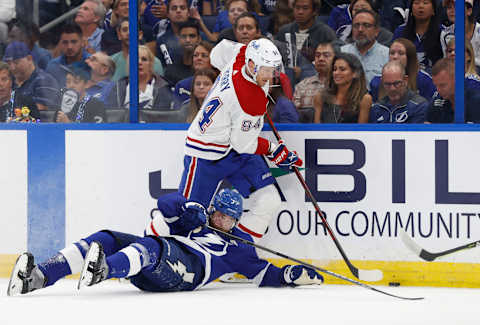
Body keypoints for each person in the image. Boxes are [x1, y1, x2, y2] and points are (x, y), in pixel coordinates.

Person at [7, 188, 323, 297]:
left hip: (185, 274)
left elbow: (262, 273)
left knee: (154, 247)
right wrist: (187, 207)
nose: (223, 221)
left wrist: (291, 274)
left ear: (236, 220)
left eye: (230, 218)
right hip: (157, 265)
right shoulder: (196, 220)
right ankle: (38, 277)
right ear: (213, 211)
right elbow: (165, 204)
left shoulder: (238, 247)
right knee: (107, 237)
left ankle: (105, 270)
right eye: (220, 215)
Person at [183, 38, 302, 241]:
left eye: (273, 69)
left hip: (234, 148)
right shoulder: (249, 99)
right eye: (266, 70)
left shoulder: (242, 54)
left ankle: (236, 252)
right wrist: (274, 149)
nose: (271, 75)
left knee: (269, 200)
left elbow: (217, 52)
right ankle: (150, 244)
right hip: (207, 152)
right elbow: (244, 144)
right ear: (252, 65)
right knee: (188, 216)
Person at [275, 0, 337, 84]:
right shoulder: (284, 31)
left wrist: (304, 70)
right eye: (297, 8)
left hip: (316, 80)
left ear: (314, 11)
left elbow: (332, 60)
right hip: (286, 80)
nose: (300, 12)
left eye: (305, 8)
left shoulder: (325, 33)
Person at [107, 45, 178, 110]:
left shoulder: (163, 88)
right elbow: (113, 115)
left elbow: (164, 117)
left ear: (151, 64)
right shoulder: (117, 88)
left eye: (144, 59)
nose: (139, 62)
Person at [369, 38, 436, 103]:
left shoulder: (425, 80)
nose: (395, 57)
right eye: (392, 53)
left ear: (410, 57)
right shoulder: (377, 82)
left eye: (400, 53)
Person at [313, 52, 372, 123]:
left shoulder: (365, 99)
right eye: (334, 69)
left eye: (342, 69)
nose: (336, 73)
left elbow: (361, 130)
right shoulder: (320, 97)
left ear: (355, 74)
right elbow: (317, 129)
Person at [3, 41, 60, 110]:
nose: (12, 67)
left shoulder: (44, 81)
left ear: (29, 58)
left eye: (16, 62)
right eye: (9, 63)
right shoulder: (11, 81)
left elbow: (41, 113)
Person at [340, 8, 389, 87]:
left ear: (376, 31)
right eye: (356, 25)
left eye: (366, 25)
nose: (360, 29)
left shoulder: (387, 55)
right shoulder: (342, 53)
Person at [392, 0, 443, 73]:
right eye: (416, 3)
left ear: (433, 10)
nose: (420, 6)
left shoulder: (442, 32)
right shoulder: (400, 32)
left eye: (425, 3)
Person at [45, 23, 90, 88]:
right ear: (60, 44)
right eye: (65, 42)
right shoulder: (53, 66)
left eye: (74, 42)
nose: (69, 47)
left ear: (82, 42)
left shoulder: (93, 65)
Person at [328, 0, 392, 46]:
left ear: (374, 12)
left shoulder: (386, 37)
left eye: (364, 8)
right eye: (356, 9)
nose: (359, 12)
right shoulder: (345, 31)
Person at [294, 40, 335, 109]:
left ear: (336, 58)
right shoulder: (302, 85)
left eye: (326, 55)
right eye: (317, 55)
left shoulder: (341, 85)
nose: (321, 59)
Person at [163, 19, 201, 86]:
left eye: (192, 36)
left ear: (199, 39)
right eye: (184, 36)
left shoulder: (205, 69)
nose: (188, 40)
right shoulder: (171, 70)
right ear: (179, 39)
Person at [156, 0, 190, 67]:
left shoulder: (200, 37)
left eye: (182, 8)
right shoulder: (161, 40)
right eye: (174, 8)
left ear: (188, 13)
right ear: (168, 14)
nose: (178, 11)